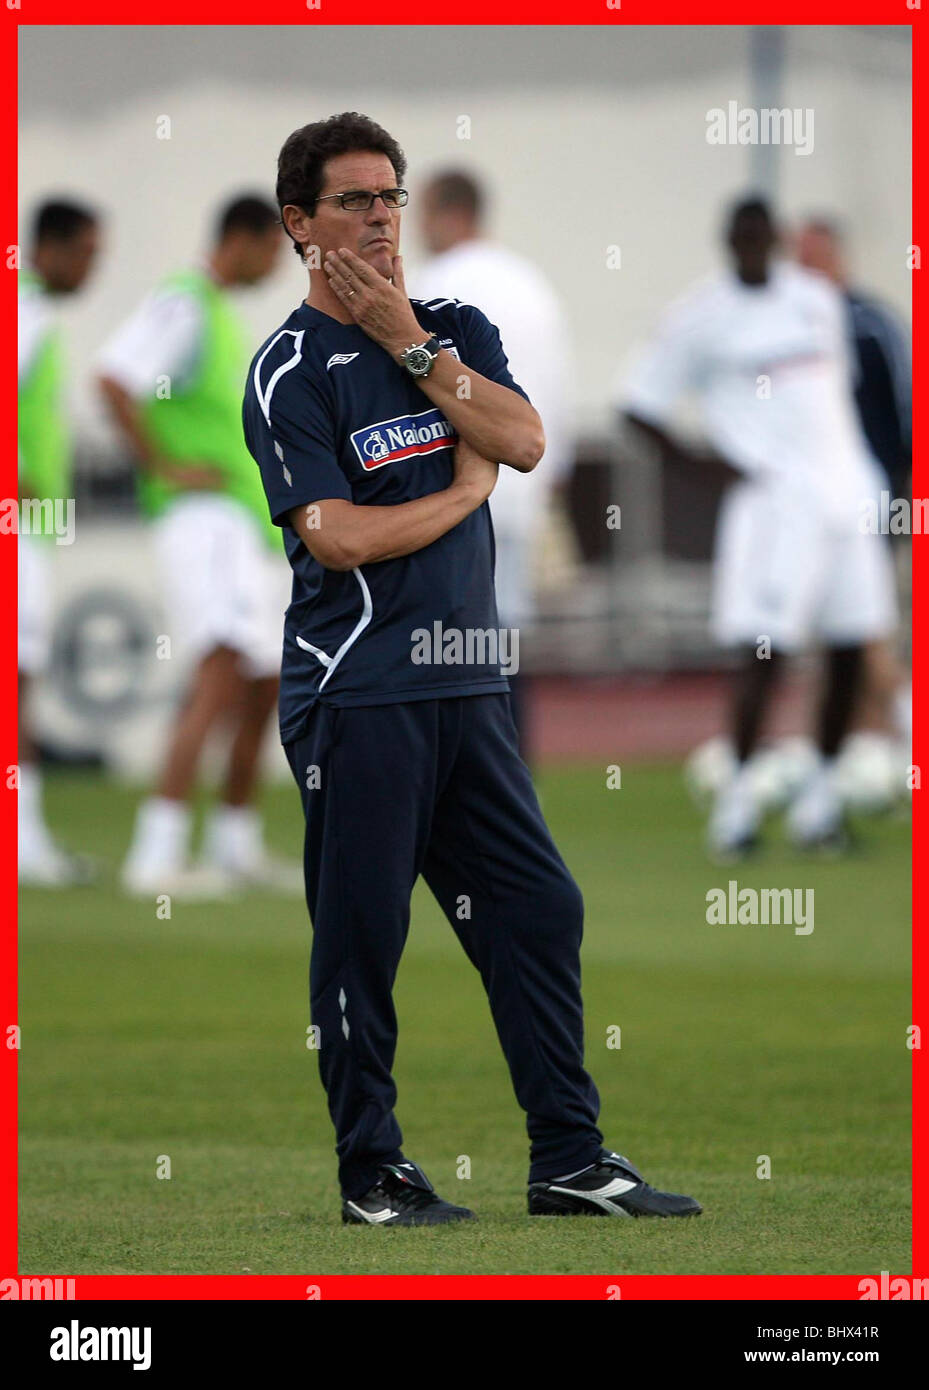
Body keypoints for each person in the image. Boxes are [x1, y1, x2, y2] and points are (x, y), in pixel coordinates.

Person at [242, 111, 701, 1226]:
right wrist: (454, 493)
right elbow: (338, 537)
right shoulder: (289, 370)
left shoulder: (453, 325)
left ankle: (569, 1159)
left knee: (538, 909)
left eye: (390, 197)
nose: (380, 219)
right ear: (300, 224)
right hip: (357, 692)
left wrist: (409, 340)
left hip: (468, 684)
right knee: (363, 938)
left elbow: (527, 438)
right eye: (353, 201)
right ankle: (372, 1172)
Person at [620, 197, 897, 858]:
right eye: (740, 236)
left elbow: (834, 401)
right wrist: (709, 469)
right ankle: (736, 811)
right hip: (773, 507)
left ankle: (819, 809)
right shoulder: (700, 317)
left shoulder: (816, 301)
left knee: (852, 647)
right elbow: (638, 406)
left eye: (760, 235)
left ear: (773, 240)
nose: (751, 246)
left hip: (845, 494)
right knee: (761, 652)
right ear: (727, 242)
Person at [97, 195, 299, 899]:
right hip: (201, 518)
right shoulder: (182, 301)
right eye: (275, 249)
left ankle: (232, 844)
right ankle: (153, 855)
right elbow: (113, 378)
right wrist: (163, 465)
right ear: (242, 240)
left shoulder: (213, 309)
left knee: (264, 682)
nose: (278, 265)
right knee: (219, 668)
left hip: (240, 526)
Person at [412, 170, 574, 756]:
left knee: (440, 644)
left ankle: (459, 778)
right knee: (501, 640)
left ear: (446, 212)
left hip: (451, 487)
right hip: (524, 489)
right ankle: (512, 777)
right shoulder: (534, 288)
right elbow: (557, 395)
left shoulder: (433, 287)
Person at [794, 216, 911, 751]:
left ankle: (900, 728)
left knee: (865, 630)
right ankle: (851, 745)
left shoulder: (869, 323)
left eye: (813, 256)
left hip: (870, 498)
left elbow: (905, 410)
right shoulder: (790, 327)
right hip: (807, 505)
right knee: (824, 635)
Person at [19, 198, 102, 886]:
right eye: (85, 253)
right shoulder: (20, 312)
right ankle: (24, 844)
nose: (92, 268)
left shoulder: (36, 317)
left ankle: (27, 837)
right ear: (48, 247)